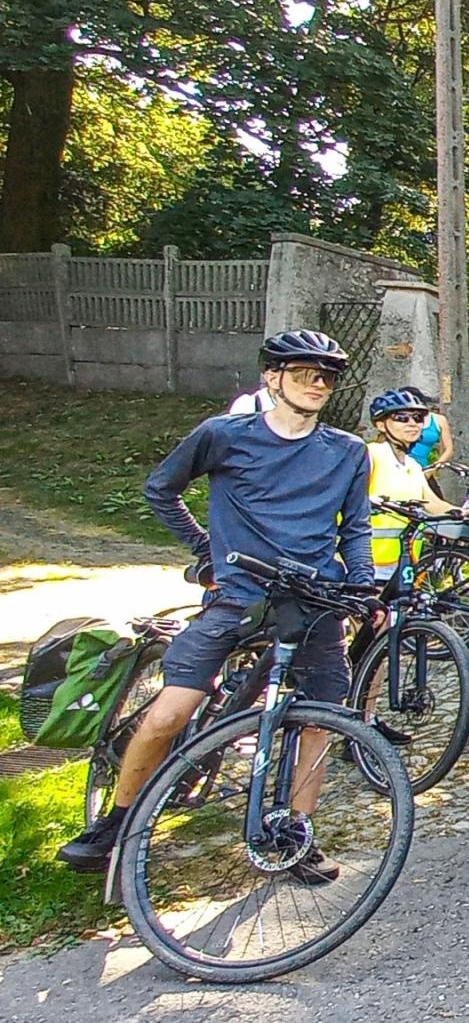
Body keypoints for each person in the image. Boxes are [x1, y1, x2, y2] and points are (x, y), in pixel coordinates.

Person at [56, 329, 373, 882]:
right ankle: (117, 822)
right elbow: (161, 489)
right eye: (305, 373)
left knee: (319, 720)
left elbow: (356, 528)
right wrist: (206, 549)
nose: (318, 384)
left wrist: (363, 585)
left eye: (327, 376)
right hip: (240, 596)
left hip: (312, 600)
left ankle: (295, 834)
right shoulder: (224, 436)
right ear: (272, 378)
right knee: (169, 713)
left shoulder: (347, 451)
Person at [366, 390, 469, 582]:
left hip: (402, 561)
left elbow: (432, 503)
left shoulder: (412, 465)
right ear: (381, 425)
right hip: (366, 563)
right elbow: (350, 497)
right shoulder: (371, 454)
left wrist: (464, 512)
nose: (412, 423)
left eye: (418, 418)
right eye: (401, 418)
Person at [400, 385, 454, 471]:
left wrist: (436, 466)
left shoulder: (439, 419)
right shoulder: (399, 419)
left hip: (423, 467)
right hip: (399, 465)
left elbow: (448, 448)